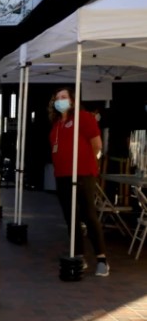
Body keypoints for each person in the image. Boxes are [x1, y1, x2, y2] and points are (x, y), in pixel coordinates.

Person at [47, 87, 109, 277]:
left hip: (83, 174)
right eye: (57, 98)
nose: (60, 100)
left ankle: (101, 259)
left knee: (89, 215)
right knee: (71, 218)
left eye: (64, 97)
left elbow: (97, 144)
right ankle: (79, 256)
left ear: (72, 100)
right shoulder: (57, 124)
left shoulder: (83, 117)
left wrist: (88, 162)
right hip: (63, 176)